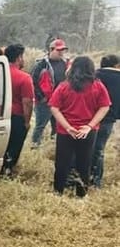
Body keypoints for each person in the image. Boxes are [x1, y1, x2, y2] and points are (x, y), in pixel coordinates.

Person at [48, 56, 111, 197]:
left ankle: (58, 192)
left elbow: (54, 107)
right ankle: (81, 194)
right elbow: (105, 107)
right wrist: (89, 126)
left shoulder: (64, 86)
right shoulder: (98, 86)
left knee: (62, 163)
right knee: (84, 163)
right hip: (87, 132)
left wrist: (68, 127)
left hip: (65, 132)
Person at [0, 44, 34, 177]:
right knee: (13, 148)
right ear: (19, 58)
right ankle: (7, 172)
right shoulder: (24, 78)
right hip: (16, 118)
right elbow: (27, 103)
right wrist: (27, 122)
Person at [30, 38, 71, 148]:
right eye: (59, 50)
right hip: (45, 102)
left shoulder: (66, 63)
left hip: (60, 102)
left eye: (63, 50)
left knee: (58, 126)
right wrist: (41, 97)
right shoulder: (41, 64)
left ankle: (54, 146)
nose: (61, 52)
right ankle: (34, 147)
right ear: (51, 50)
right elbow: (33, 82)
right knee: (40, 126)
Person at [90, 54, 119, 187]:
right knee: (99, 149)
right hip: (108, 119)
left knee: (84, 147)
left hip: (89, 118)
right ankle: (96, 181)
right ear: (116, 65)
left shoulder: (92, 76)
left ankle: (79, 176)